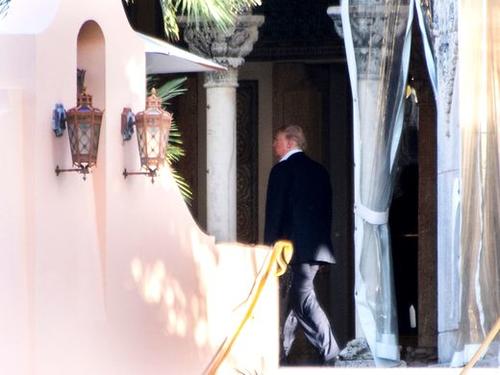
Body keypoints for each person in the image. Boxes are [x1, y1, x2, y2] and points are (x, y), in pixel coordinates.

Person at [264, 124, 340, 365]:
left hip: (292, 248)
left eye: (277, 139)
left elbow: (274, 213)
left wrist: (269, 248)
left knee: (301, 297)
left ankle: (331, 353)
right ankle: (280, 355)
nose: (274, 144)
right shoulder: (320, 171)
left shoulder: (281, 170)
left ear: (291, 142)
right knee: (293, 298)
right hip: (316, 248)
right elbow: (327, 211)